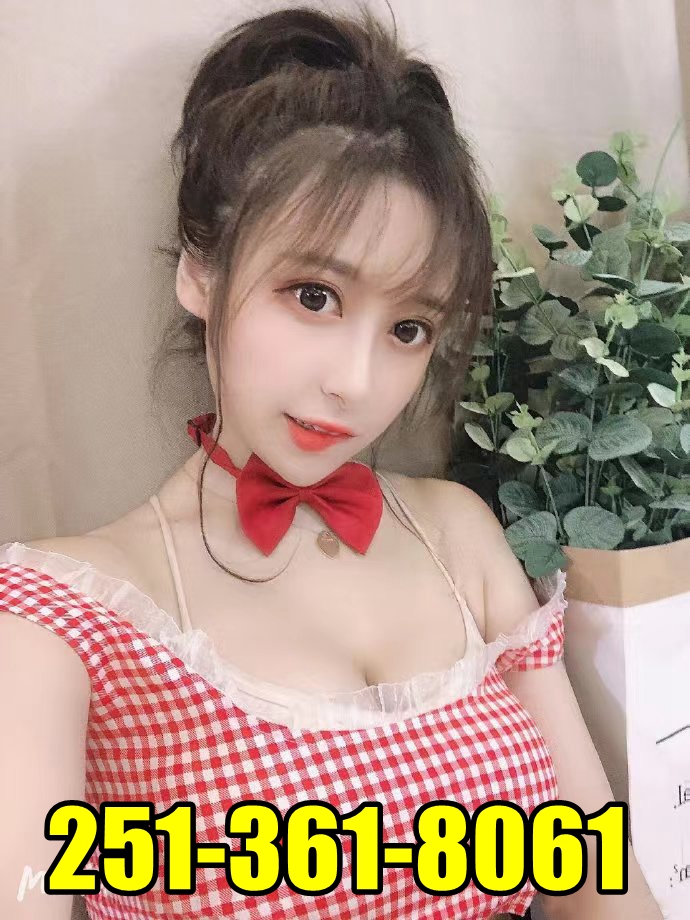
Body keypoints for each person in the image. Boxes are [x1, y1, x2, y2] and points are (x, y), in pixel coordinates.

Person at [0, 4, 661, 919]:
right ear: (201, 270)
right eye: (313, 295)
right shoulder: (66, 613)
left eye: (409, 328)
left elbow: (600, 887)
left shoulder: (457, 536)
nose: (356, 382)